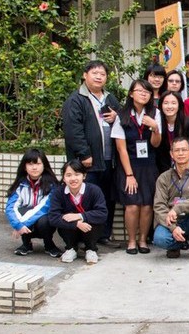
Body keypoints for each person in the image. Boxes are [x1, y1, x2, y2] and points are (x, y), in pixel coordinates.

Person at [62, 60, 121, 248]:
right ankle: (80, 238)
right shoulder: (76, 100)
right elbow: (73, 131)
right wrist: (84, 154)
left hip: (109, 160)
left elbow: (123, 123)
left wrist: (116, 117)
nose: (98, 77)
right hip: (88, 162)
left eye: (102, 74)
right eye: (95, 73)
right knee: (85, 199)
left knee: (105, 199)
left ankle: (103, 235)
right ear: (85, 75)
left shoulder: (110, 99)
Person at [112, 79, 162, 255]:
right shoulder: (122, 115)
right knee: (132, 205)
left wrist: (155, 128)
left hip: (148, 165)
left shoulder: (155, 113)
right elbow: (120, 148)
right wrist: (129, 174)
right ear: (131, 94)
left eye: (147, 92)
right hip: (129, 165)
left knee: (147, 205)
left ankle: (143, 240)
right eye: (139, 91)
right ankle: (132, 241)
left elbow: (156, 144)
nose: (143, 94)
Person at [49, 159, 108, 264]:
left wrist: (80, 216)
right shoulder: (58, 193)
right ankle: (70, 248)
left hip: (89, 229)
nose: (73, 179)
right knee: (64, 219)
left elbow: (102, 213)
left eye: (77, 174)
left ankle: (91, 249)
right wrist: (76, 224)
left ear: (84, 176)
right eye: (68, 175)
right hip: (70, 231)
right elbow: (53, 218)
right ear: (63, 178)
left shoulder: (94, 190)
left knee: (95, 220)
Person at [5, 149, 61, 257]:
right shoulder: (20, 184)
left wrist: (22, 224)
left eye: (38, 163)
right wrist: (18, 225)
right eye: (30, 164)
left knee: (45, 219)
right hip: (25, 226)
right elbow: (10, 207)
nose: (34, 167)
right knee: (22, 210)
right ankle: (26, 244)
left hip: (43, 223)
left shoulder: (52, 185)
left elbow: (44, 207)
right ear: (24, 167)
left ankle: (49, 244)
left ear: (44, 165)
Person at [156, 91, 189, 173]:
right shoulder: (157, 122)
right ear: (161, 105)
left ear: (179, 106)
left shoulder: (187, 123)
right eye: (166, 103)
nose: (169, 106)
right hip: (161, 167)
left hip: (184, 166)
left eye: (173, 103)